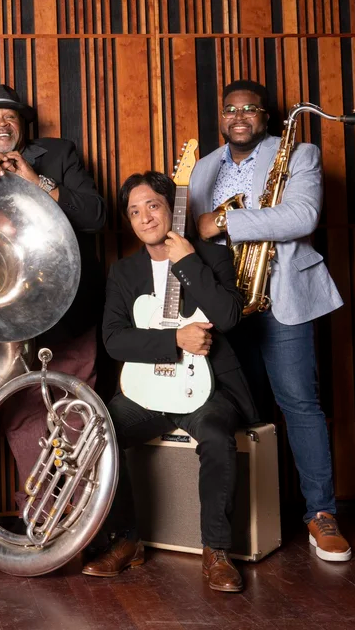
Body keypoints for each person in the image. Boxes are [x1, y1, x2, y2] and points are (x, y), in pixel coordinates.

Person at [189, 79, 351, 562]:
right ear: (221, 116)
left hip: (280, 299)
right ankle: (260, 516)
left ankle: (321, 514)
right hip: (226, 307)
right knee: (244, 412)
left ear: (266, 116)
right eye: (230, 109)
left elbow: (301, 216)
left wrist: (223, 221)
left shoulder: (298, 154)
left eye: (250, 109)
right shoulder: (201, 168)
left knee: (300, 405)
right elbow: (191, 237)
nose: (239, 117)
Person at [84, 171, 258, 592]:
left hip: (208, 387)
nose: (145, 218)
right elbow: (112, 339)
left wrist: (187, 263)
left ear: (172, 209)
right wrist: (174, 339)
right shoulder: (124, 273)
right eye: (134, 212)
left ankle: (216, 550)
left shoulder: (210, 258)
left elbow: (231, 317)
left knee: (217, 436)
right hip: (147, 391)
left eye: (153, 206)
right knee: (100, 430)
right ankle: (127, 541)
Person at [0, 84, 106, 510]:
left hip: (70, 309)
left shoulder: (59, 155)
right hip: (9, 314)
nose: (1, 125)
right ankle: (40, 513)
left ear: (22, 125)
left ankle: (81, 518)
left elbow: (96, 215)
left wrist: (37, 182)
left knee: (76, 410)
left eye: (9, 117)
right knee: (20, 415)